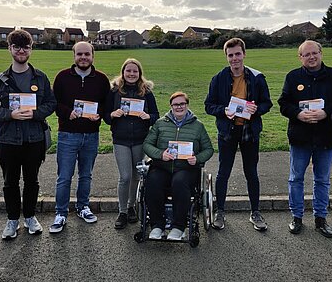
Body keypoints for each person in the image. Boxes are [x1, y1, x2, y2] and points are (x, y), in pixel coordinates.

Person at [0, 29, 56, 240]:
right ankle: (12, 220)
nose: (21, 50)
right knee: (10, 182)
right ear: (10, 49)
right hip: (8, 140)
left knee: (32, 181)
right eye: (17, 46)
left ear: (31, 49)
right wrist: (9, 114)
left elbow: (51, 103)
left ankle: (30, 217)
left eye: (26, 47)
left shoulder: (40, 77)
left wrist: (35, 114)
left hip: (34, 138)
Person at [278, 40, 332, 238]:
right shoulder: (293, 77)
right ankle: (297, 217)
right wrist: (298, 114)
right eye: (306, 54)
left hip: (326, 135)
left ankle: (321, 218)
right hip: (300, 136)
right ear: (300, 57)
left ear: (321, 53)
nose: (311, 57)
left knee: (322, 179)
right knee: (296, 178)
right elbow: (283, 103)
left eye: (314, 53)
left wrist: (326, 112)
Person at [204, 37, 272, 231]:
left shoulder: (257, 77)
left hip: (249, 131)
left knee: (251, 172)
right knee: (223, 172)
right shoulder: (218, 78)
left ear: (244, 54)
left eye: (238, 54)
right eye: (230, 55)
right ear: (226, 57)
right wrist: (223, 111)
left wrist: (257, 109)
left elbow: (267, 103)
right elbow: (209, 105)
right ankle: (220, 212)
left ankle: (255, 212)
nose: (234, 58)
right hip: (228, 131)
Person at [49, 41, 110, 233]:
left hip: (91, 135)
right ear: (74, 56)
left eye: (87, 54)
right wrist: (68, 113)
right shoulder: (62, 77)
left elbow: (106, 104)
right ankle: (61, 213)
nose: (83, 57)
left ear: (93, 56)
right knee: (64, 177)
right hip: (67, 134)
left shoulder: (101, 79)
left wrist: (99, 113)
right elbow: (53, 103)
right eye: (79, 54)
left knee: (86, 175)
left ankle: (83, 207)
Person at [143, 92, 213, 240]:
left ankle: (178, 227)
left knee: (179, 182)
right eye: (176, 104)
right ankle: (157, 225)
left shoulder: (198, 126)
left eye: (182, 104)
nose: (179, 107)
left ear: (187, 105)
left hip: (186, 168)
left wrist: (197, 158)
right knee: (153, 180)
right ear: (171, 106)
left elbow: (209, 149)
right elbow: (147, 144)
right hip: (163, 166)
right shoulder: (160, 123)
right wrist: (160, 154)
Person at [104, 58, 159, 229]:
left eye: (135, 71)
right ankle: (122, 212)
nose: (131, 74)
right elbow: (105, 116)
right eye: (128, 71)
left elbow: (156, 115)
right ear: (123, 72)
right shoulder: (114, 91)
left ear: (140, 73)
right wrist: (113, 114)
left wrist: (148, 117)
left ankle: (131, 206)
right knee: (125, 176)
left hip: (140, 140)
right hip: (120, 139)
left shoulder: (146, 92)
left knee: (136, 176)